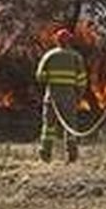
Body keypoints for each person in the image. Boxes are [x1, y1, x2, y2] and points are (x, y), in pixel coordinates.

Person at [34, 27, 88, 162]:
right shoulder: (76, 57)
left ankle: (45, 152)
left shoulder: (49, 56)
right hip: (69, 96)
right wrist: (79, 96)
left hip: (51, 96)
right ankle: (72, 155)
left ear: (57, 41)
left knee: (48, 126)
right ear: (70, 41)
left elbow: (40, 76)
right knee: (70, 126)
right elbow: (82, 80)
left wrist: (51, 80)